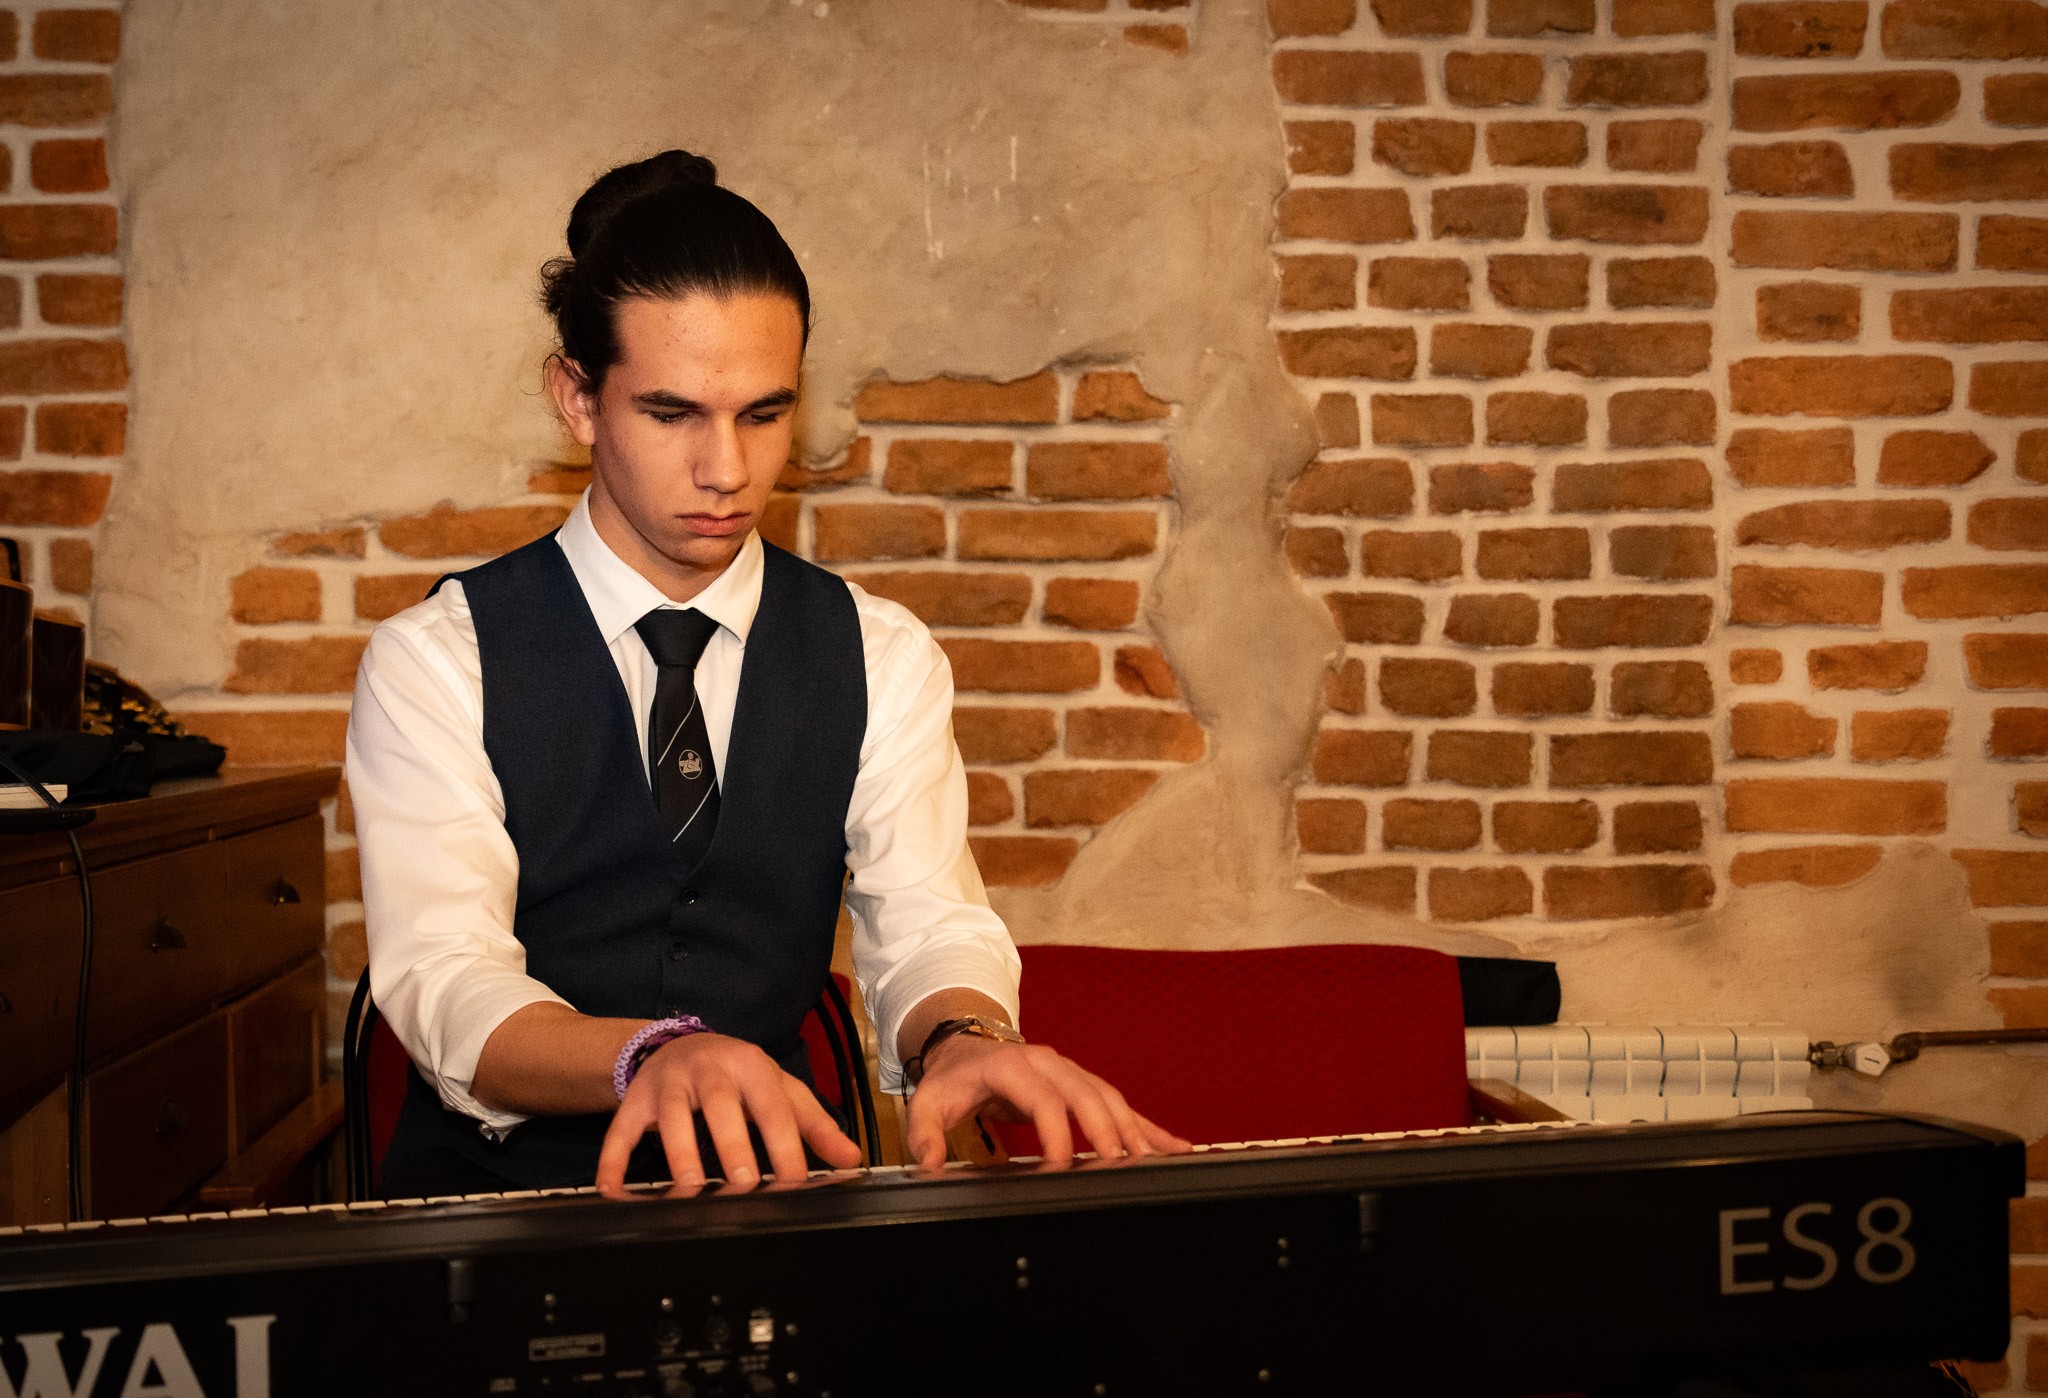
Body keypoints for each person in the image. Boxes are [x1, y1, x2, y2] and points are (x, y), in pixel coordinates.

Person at [346, 149, 1187, 1198]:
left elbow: (926, 923)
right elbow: (445, 978)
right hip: (501, 1211)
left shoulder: (877, 653)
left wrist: (962, 1037)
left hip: (773, 1200)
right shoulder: (438, 660)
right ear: (577, 398)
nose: (727, 471)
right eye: (671, 415)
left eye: (763, 413)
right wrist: (648, 1054)